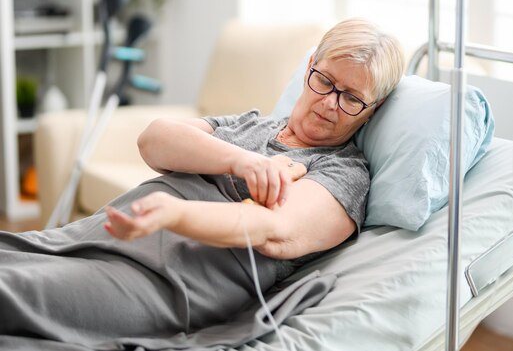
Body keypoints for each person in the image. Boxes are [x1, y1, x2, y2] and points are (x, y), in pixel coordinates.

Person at [0, 18, 405, 346]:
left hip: (165, 280)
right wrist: (244, 162)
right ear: (309, 66)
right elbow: (154, 141)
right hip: (99, 238)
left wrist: (175, 214)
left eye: (352, 98)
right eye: (325, 81)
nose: (330, 103)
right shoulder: (252, 125)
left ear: (374, 108)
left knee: (12, 289)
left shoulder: (344, 172)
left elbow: (275, 231)